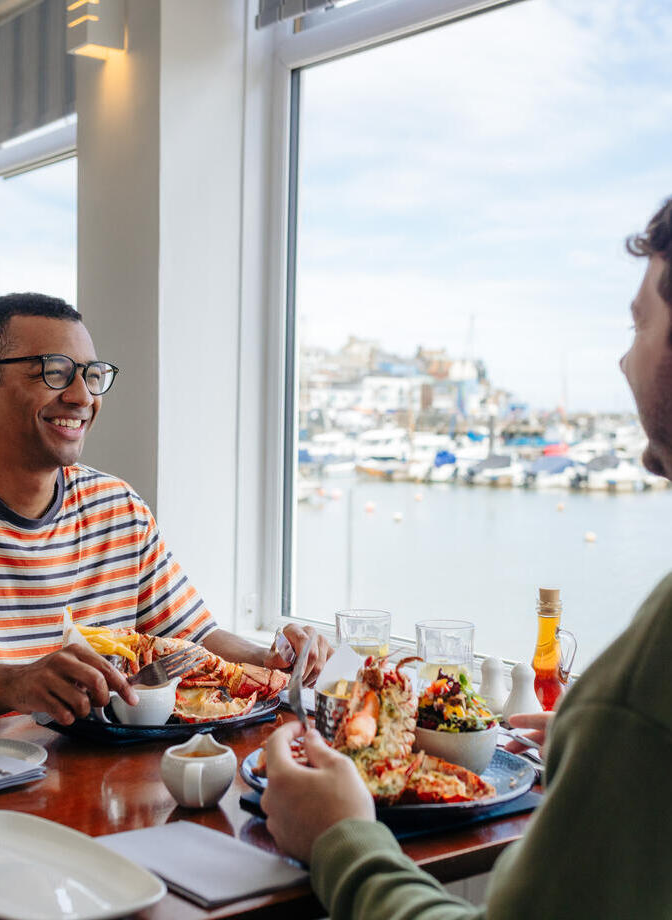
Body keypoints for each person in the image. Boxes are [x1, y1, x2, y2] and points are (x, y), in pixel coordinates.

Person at [261, 199, 672, 919]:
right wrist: (593, 736)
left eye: (639, 323)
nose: (623, 356)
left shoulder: (647, 684)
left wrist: (339, 840)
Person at [0, 293, 331, 725]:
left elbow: (194, 638)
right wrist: (10, 683)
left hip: (105, 780)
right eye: (54, 373)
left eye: (92, 375)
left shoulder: (117, 508)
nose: (82, 396)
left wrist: (276, 659)